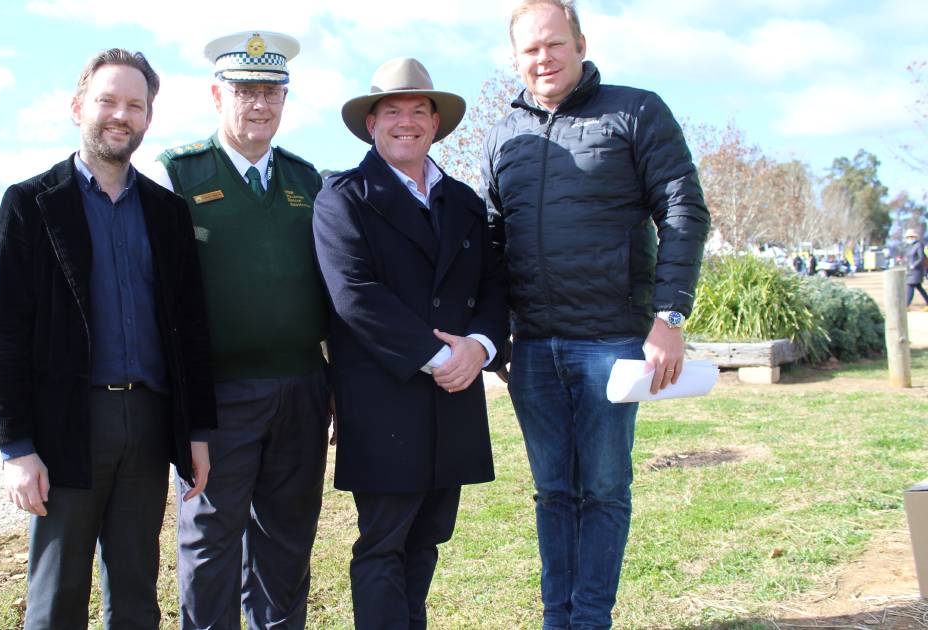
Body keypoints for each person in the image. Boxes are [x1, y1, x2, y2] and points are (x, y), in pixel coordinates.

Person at [482, 2, 711, 628]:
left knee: (604, 491)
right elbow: (493, 239)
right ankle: (559, 619)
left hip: (611, 343)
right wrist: (495, 336)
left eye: (554, 44)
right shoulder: (505, 134)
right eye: (530, 49)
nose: (543, 58)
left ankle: (590, 620)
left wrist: (670, 317)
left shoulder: (636, 111)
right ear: (515, 59)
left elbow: (684, 212)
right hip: (531, 351)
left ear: (581, 43)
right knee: (553, 493)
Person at [0, 48, 217, 630]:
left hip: (147, 421)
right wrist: (16, 446)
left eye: (134, 105)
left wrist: (196, 432)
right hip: (67, 424)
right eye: (107, 101)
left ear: (148, 119)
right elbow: (3, 333)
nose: (121, 115)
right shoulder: (30, 205)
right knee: (57, 595)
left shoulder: (167, 212)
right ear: (77, 107)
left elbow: (189, 328)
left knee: (137, 592)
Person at [145, 31, 331, 630]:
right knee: (210, 544)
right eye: (244, 90)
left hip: (302, 390)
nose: (259, 104)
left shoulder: (309, 182)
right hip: (218, 398)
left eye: (271, 92)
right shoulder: (177, 174)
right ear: (214, 95)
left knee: (287, 540)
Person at [314, 57, 508, 630]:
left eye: (418, 110)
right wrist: (442, 356)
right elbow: (355, 296)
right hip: (385, 401)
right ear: (371, 124)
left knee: (427, 541)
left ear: (435, 123)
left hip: (454, 400)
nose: (406, 121)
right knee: (383, 546)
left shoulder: (464, 203)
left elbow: (495, 288)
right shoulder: (343, 198)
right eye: (392, 110)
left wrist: (480, 346)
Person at [905, 228, 928, 309]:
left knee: (910, 287)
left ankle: (906, 305)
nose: (909, 239)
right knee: (919, 288)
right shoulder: (909, 246)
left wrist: (914, 265)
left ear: (914, 237)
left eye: (911, 237)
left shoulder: (919, 245)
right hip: (910, 271)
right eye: (907, 237)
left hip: (917, 271)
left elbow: (921, 258)